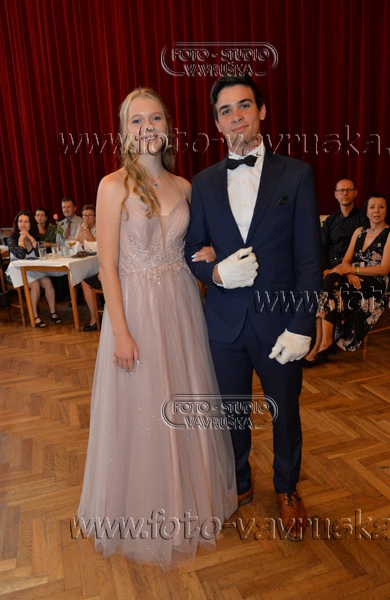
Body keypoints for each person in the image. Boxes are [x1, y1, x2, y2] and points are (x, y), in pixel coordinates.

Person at [78, 87, 237, 568]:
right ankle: (144, 513)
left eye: (155, 118)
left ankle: (191, 501)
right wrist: (121, 332)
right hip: (136, 311)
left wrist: (208, 253)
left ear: (168, 126)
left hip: (182, 307)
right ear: (124, 131)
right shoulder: (112, 186)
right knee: (143, 405)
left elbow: (194, 249)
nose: (147, 127)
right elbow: (107, 267)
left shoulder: (185, 186)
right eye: (136, 120)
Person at [185, 75, 321, 542]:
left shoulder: (296, 174)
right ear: (217, 123)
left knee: (285, 412)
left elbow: (309, 259)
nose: (236, 116)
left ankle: (287, 488)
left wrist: (302, 324)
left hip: (281, 323)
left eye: (244, 105)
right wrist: (216, 274)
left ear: (261, 112)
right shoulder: (203, 183)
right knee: (231, 411)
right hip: (224, 323)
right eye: (225, 110)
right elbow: (192, 249)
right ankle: (239, 482)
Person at [311, 193, 390, 358]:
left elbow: (384, 269)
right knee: (329, 280)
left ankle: (325, 343)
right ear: (366, 212)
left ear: (386, 211)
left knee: (331, 286)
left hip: (376, 282)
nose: (376, 211)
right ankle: (320, 342)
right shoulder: (359, 232)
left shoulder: (389, 233)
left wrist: (354, 271)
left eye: (381, 207)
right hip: (353, 276)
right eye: (372, 207)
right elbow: (346, 261)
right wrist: (348, 273)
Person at [303, 178, 365, 366]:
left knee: (329, 283)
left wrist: (348, 271)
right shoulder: (331, 221)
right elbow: (321, 249)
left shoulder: (363, 219)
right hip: (330, 269)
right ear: (335, 195)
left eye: (349, 190)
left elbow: (364, 250)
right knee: (315, 283)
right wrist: (325, 269)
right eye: (341, 190)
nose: (345, 193)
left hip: (351, 270)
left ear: (355, 193)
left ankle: (324, 342)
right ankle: (318, 343)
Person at [6, 211, 62, 327]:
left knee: (48, 282)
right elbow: (21, 255)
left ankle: (53, 312)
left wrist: (31, 238)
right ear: (17, 223)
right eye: (20, 221)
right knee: (35, 284)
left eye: (26, 221)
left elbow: (39, 254)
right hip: (15, 271)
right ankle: (35, 316)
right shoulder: (11, 238)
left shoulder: (35, 236)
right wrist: (21, 239)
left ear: (31, 224)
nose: (23, 224)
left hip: (31, 269)